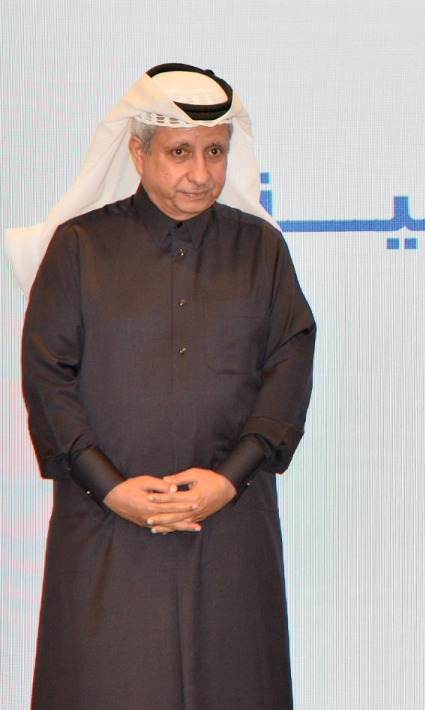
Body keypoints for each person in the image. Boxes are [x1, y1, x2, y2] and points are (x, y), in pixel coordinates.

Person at [11, 63, 315, 709]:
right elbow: (47, 374)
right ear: (137, 152)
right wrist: (109, 486)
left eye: (215, 152)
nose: (201, 174)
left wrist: (229, 478)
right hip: (107, 522)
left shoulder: (259, 248)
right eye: (180, 153)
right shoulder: (80, 247)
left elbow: (289, 364)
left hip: (229, 518)